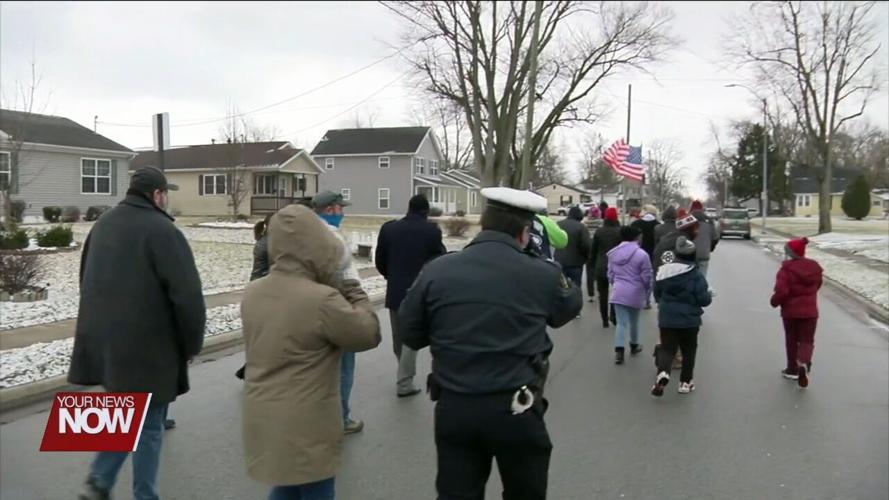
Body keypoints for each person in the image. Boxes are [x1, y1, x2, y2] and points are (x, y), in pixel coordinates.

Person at [399, 187, 582, 500]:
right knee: (526, 491)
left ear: (484, 225)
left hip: (455, 404)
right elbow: (567, 309)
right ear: (526, 233)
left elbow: (411, 333)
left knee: (457, 492)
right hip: (516, 406)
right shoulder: (541, 273)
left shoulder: (437, 270)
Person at [70, 167, 206, 500]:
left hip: (105, 343)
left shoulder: (102, 226)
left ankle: (100, 479)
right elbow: (187, 296)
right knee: (148, 424)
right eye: (166, 193)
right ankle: (143, 495)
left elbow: (85, 279)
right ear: (157, 195)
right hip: (149, 346)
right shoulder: (162, 231)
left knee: (123, 413)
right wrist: (191, 343)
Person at [241, 204, 381, 500]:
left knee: (288, 485)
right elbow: (368, 333)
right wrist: (350, 287)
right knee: (315, 487)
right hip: (308, 422)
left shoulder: (253, 293)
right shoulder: (321, 299)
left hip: (264, 413)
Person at [375, 194, 446, 397]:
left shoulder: (389, 229)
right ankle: (405, 381)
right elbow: (438, 260)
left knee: (400, 337)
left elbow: (380, 259)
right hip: (422, 291)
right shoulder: (432, 231)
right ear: (426, 211)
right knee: (419, 335)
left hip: (396, 290)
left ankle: (403, 373)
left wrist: (392, 276)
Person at [312, 191, 370, 435]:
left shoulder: (307, 235)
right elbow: (347, 278)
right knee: (344, 368)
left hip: (313, 309)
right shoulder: (333, 238)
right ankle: (341, 418)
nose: (342, 213)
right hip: (338, 307)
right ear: (330, 209)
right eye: (339, 208)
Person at [651, 236, 713, 397]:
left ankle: (663, 372)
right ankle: (685, 382)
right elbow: (703, 300)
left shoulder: (663, 272)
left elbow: (656, 293)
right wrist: (709, 295)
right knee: (689, 350)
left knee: (667, 348)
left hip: (667, 317)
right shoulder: (696, 275)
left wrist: (663, 303)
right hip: (689, 319)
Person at [770, 237, 823, 388]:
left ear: (790, 253)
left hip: (791, 312)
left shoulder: (786, 269)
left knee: (791, 340)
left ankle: (792, 369)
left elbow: (782, 291)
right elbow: (818, 285)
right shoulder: (815, 268)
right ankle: (804, 363)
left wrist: (774, 301)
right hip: (811, 311)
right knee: (807, 340)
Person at [235, 213, 275, 381]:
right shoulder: (269, 244)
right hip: (264, 293)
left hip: (260, 291)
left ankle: (252, 368)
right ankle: (254, 370)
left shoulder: (266, 240)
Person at [607, 226, 652, 364]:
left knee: (621, 323)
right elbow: (647, 276)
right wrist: (648, 290)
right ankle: (634, 345)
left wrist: (615, 284)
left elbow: (610, 274)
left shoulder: (613, 253)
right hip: (635, 292)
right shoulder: (642, 255)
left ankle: (619, 352)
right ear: (636, 237)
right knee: (634, 321)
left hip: (618, 291)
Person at [589, 207, 622, 328]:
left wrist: (591, 265)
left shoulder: (599, 232)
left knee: (602, 294)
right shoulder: (620, 232)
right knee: (616, 293)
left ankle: (604, 320)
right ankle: (613, 315)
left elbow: (593, 251)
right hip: (616, 267)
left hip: (601, 265)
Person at [555, 205, 591, 289]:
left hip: (559, 261)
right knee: (576, 287)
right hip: (576, 263)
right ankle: (575, 301)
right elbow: (586, 245)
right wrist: (586, 258)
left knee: (560, 287)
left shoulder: (558, 224)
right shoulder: (581, 227)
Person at [689, 200, 719, 277]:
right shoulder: (709, 221)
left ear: (691, 208)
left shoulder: (687, 220)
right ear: (702, 208)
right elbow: (715, 237)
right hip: (704, 254)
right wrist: (710, 248)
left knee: (689, 278)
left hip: (689, 254)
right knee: (702, 277)